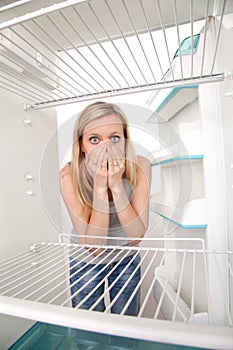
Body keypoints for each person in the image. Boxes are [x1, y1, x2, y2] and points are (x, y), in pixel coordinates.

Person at [60, 101, 151, 315]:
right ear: (82, 145)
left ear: (125, 141)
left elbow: (136, 236)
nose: (106, 148)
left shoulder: (141, 166)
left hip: (125, 259)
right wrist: (101, 187)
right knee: (90, 337)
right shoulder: (68, 175)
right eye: (94, 140)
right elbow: (96, 247)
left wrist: (116, 185)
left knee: (125, 332)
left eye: (115, 138)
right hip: (85, 263)